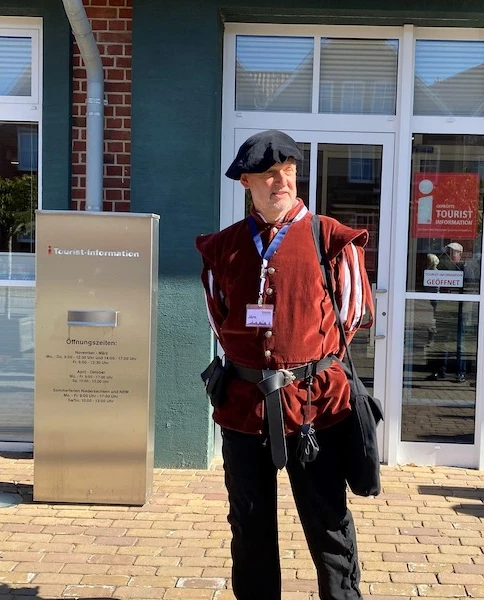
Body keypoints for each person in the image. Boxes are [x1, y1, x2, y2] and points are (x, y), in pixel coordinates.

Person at [195, 129, 374, 600]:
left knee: (328, 524)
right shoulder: (223, 247)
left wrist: (307, 361)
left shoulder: (330, 238)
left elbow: (353, 314)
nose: (282, 182)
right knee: (249, 526)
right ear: (246, 182)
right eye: (269, 174)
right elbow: (219, 317)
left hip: (316, 407)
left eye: (288, 171)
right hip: (244, 408)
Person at [426, 242, 466, 382]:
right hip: (443, 310)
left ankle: (460, 372)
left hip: (458, 311)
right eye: (448, 252)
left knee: (459, 343)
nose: (450, 255)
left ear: (460, 254)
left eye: (453, 252)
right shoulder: (442, 268)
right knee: (441, 342)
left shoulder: (464, 269)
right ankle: (440, 370)